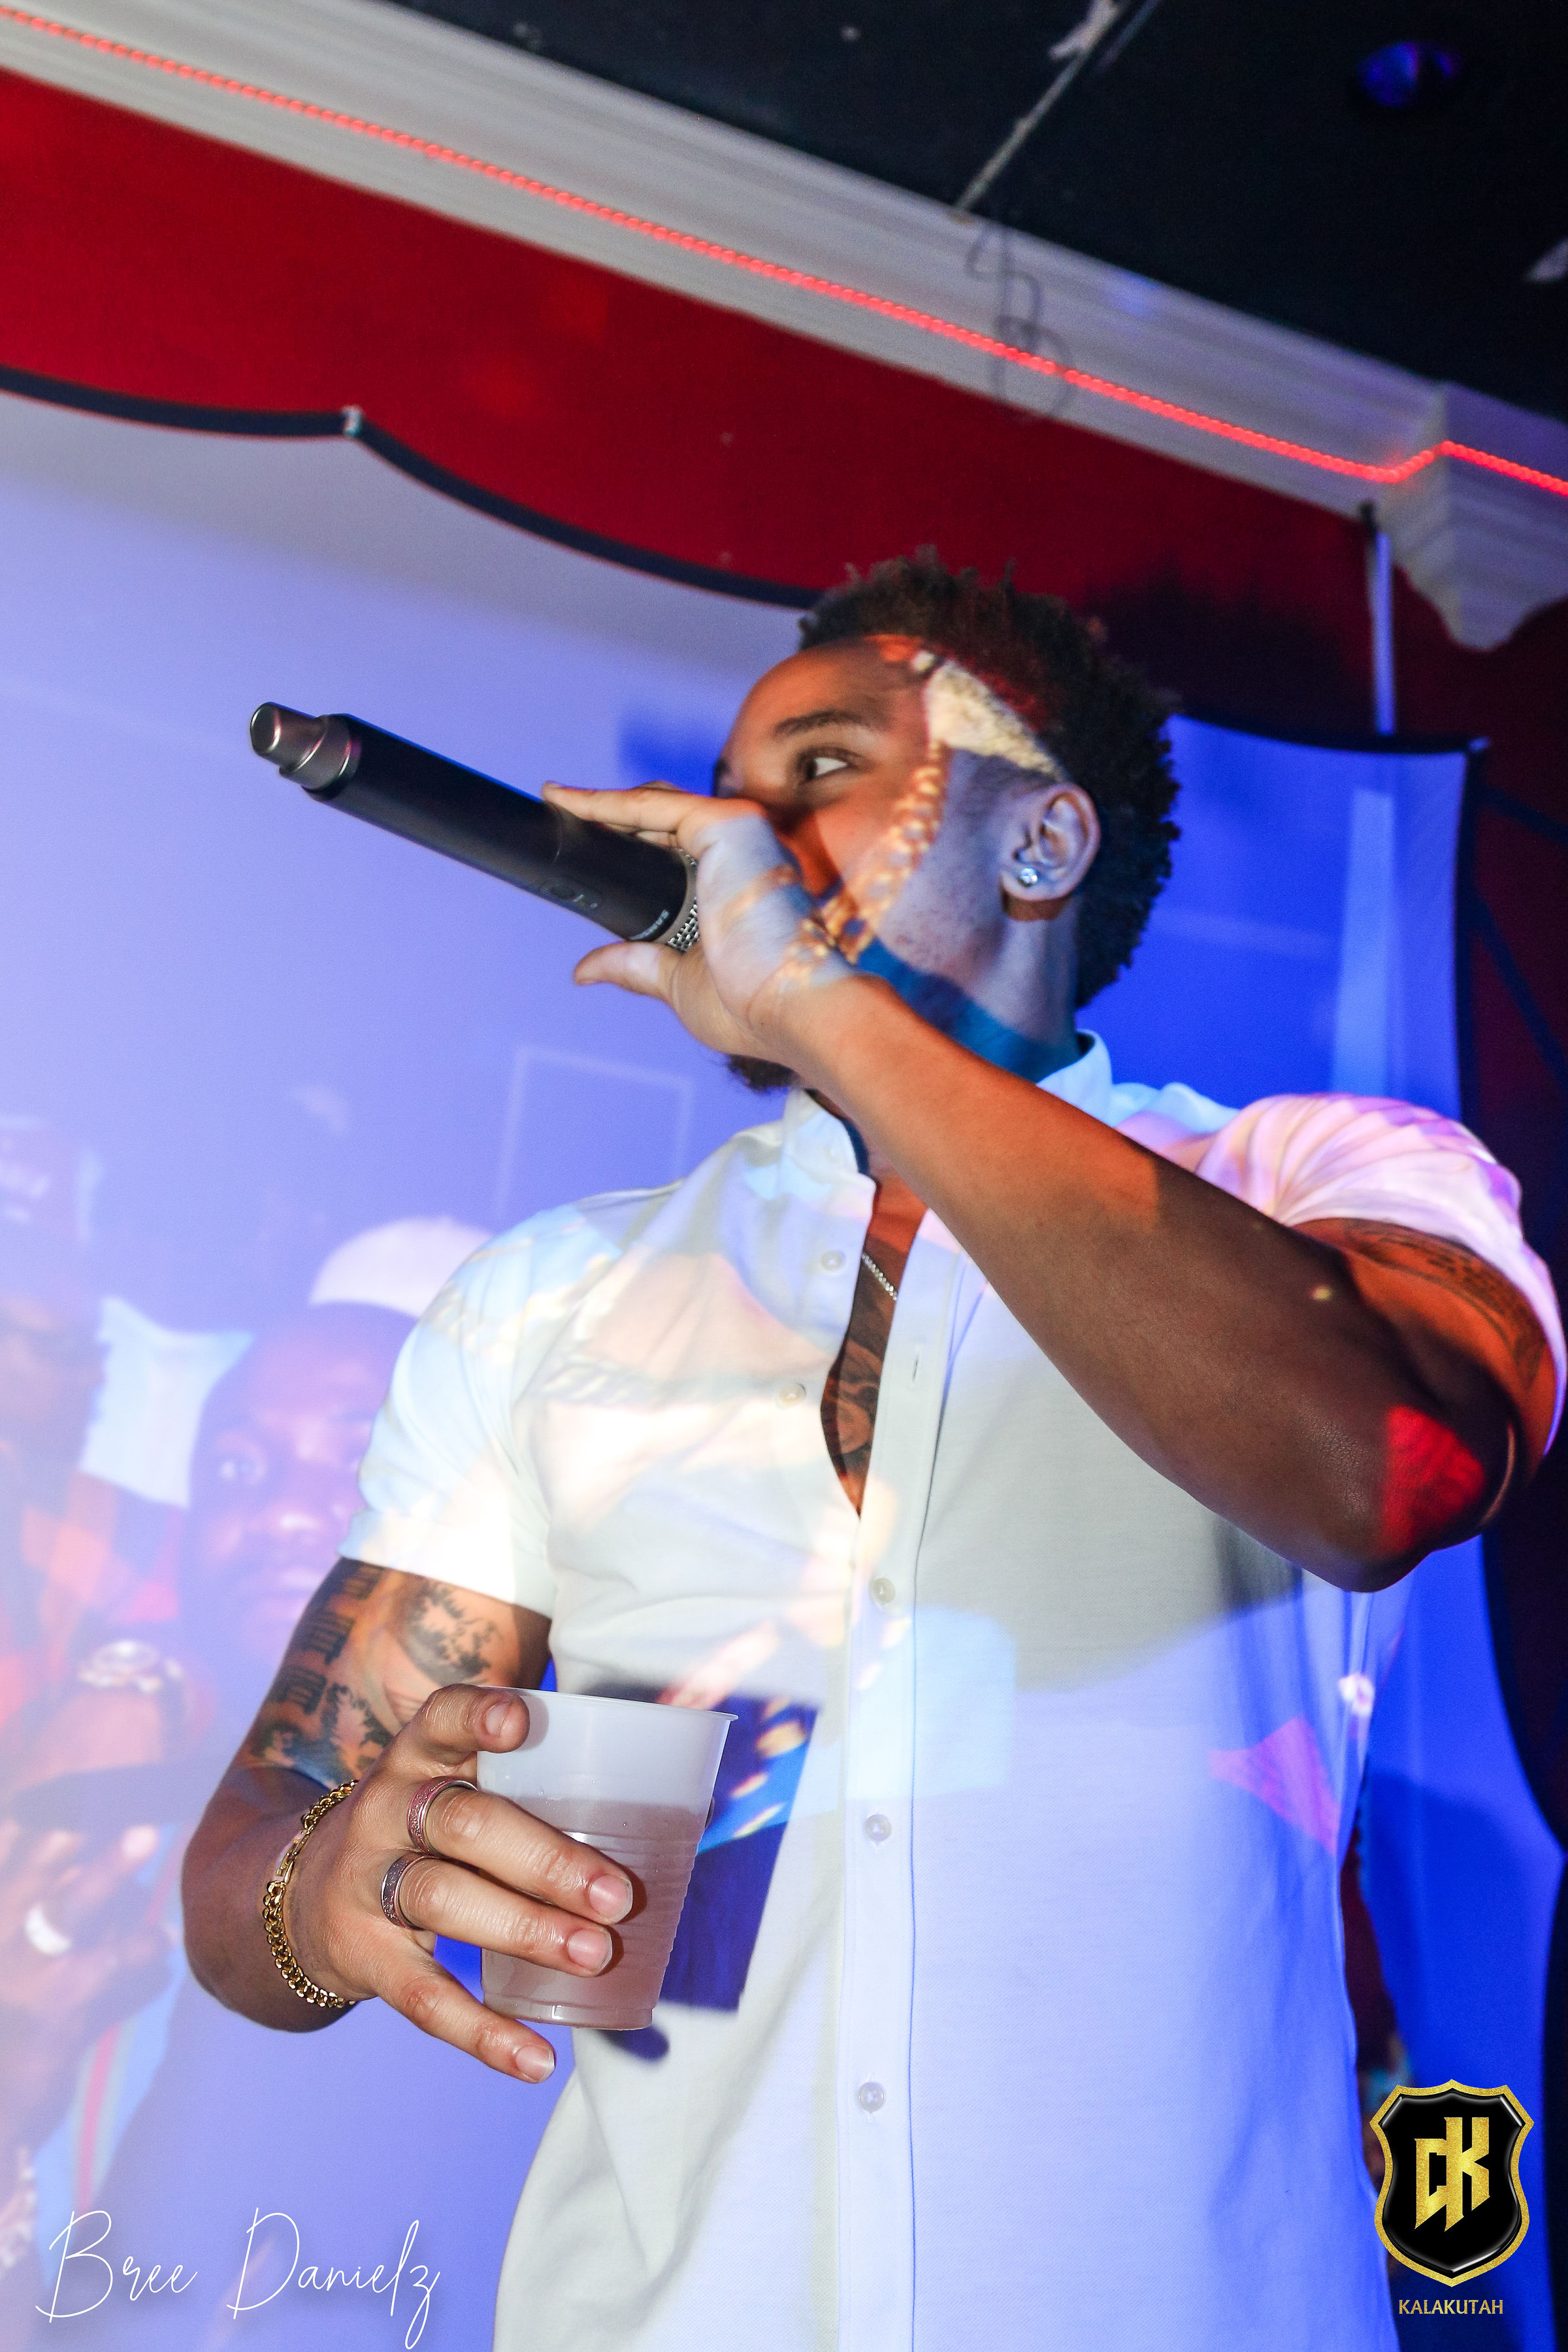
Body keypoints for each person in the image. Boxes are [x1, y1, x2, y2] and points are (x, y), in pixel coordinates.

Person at [182, 560, 1561, 2352]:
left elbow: (1385, 1471)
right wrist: (334, 1880)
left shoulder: (1318, 1182)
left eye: (822, 769)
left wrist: (827, 1007)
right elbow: (245, 1874)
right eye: (728, 796)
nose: (737, 841)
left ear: (1042, 842)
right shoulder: (553, 1294)